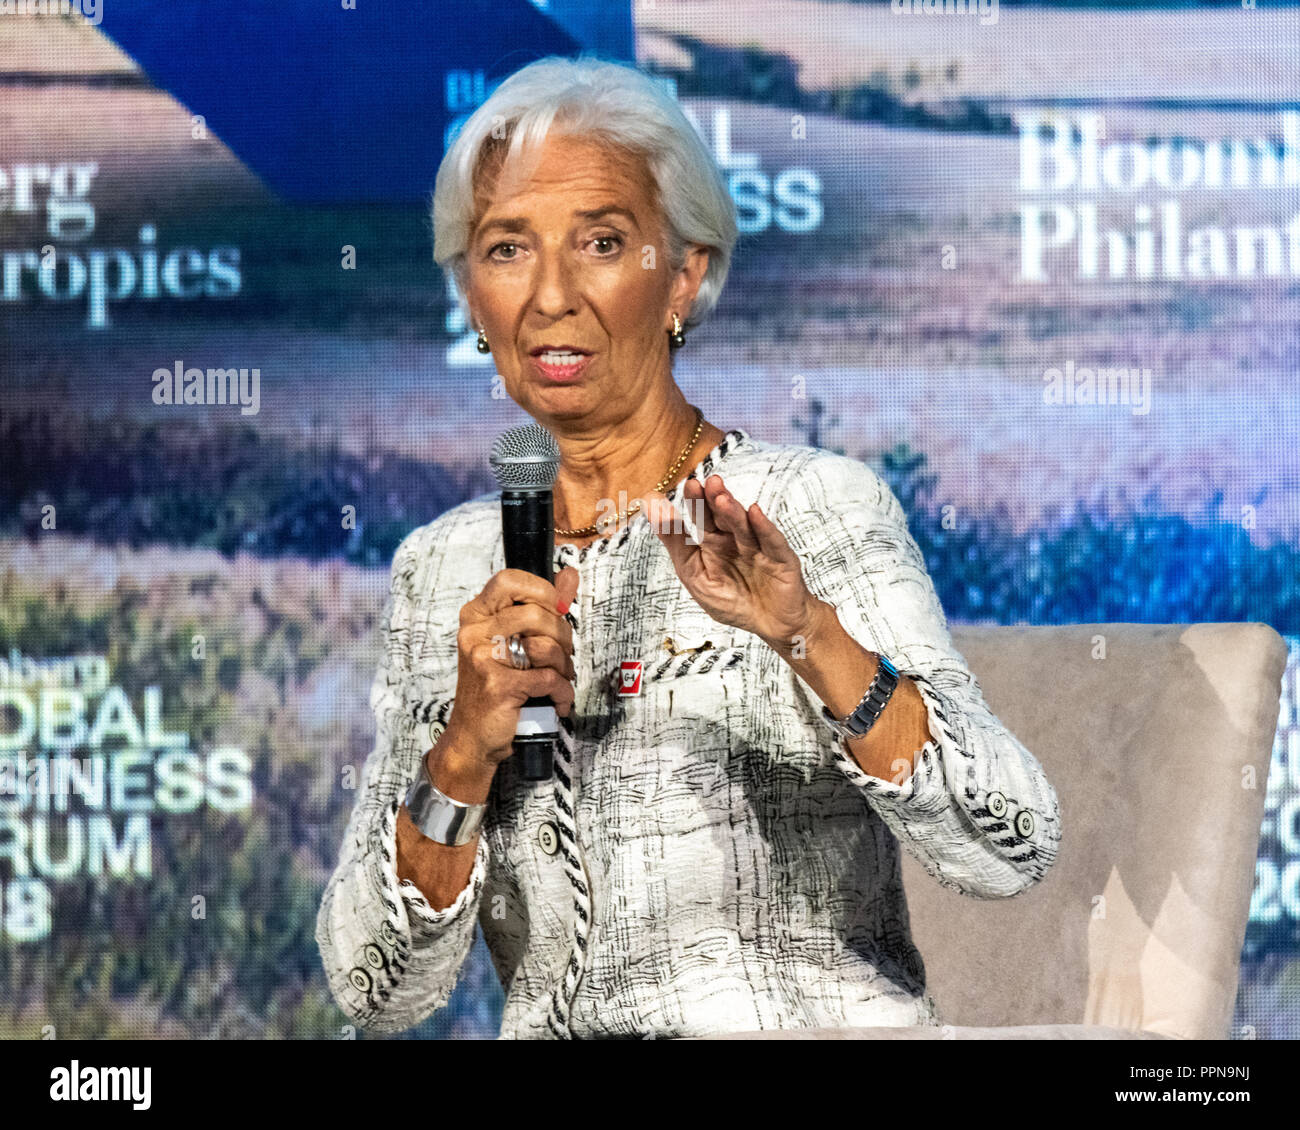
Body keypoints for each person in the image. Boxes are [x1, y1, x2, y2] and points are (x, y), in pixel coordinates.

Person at [315, 54, 1061, 1039]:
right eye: (505, 249)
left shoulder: (808, 504)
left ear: (684, 275)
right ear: (471, 302)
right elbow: (375, 987)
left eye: (601, 241)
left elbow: (1008, 843)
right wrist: (459, 754)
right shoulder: (444, 569)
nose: (548, 296)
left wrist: (807, 636)